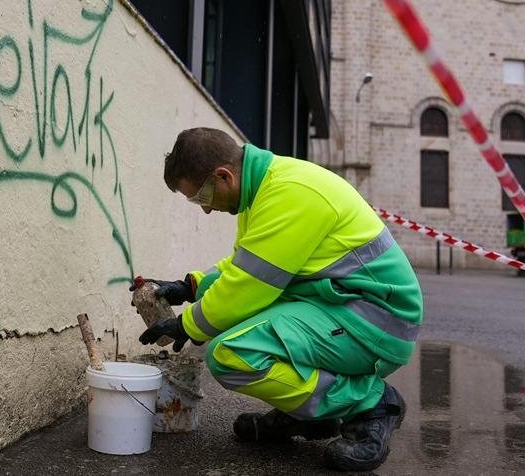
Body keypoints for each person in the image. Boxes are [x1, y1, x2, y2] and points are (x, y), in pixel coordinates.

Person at [135, 127, 422, 472]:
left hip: (376, 323)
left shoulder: (289, 195)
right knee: (244, 322)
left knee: (230, 353)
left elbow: (247, 287)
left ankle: (371, 404)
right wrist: (191, 286)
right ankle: (308, 414)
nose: (206, 210)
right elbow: (245, 266)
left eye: (200, 198)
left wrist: (188, 325)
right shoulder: (266, 188)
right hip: (342, 306)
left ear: (223, 176)